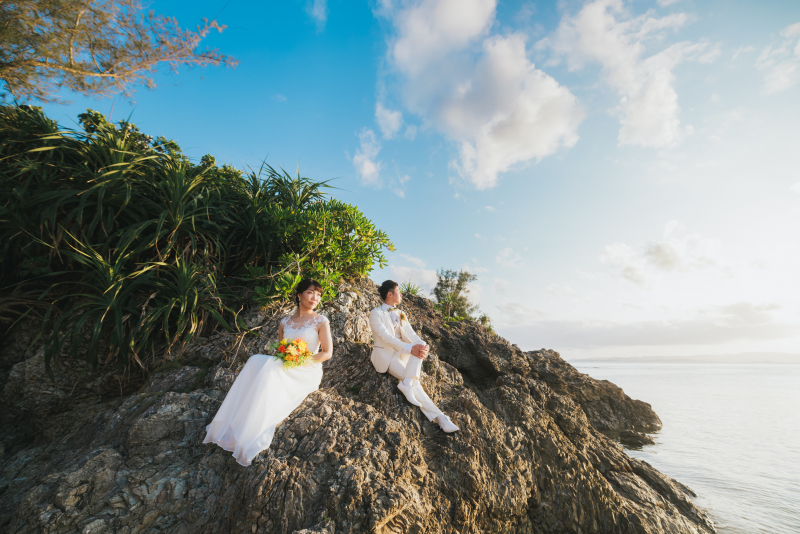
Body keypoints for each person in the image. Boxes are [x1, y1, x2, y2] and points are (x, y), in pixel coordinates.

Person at [203, 279, 333, 466]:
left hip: (307, 368)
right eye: (310, 292)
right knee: (255, 360)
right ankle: (233, 422)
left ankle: (251, 429)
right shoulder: (285, 322)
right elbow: (281, 350)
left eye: (318, 294)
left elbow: (327, 353)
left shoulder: (321, 321)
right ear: (299, 295)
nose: (315, 298)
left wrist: (300, 359)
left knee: (271, 367)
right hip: (286, 363)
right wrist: (288, 357)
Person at [368, 280, 459, 433]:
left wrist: (422, 345)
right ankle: (440, 418)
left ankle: (407, 383)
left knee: (420, 345)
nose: (401, 295)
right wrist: (411, 349)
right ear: (390, 294)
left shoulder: (401, 314)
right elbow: (385, 337)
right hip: (387, 356)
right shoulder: (375, 314)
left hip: (402, 354)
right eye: (398, 292)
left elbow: (411, 334)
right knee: (415, 383)